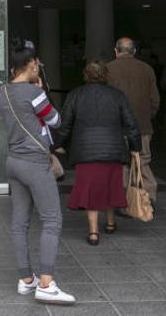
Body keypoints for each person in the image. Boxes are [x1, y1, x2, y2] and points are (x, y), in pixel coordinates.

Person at [0, 38, 75, 305]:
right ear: (29, 64)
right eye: (37, 62)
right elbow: (56, 120)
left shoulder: (1, 92)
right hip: (35, 163)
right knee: (52, 220)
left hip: (14, 161)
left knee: (19, 223)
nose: (39, 65)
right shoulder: (34, 93)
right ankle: (46, 283)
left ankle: (25, 280)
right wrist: (41, 93)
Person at [54, 60, 141, 245]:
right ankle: (110, 223)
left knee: (90, 190)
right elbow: (131, 124)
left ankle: (93, 232)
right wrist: (135, 148)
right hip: (113, 149)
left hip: (86, 151)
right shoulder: (117, 95)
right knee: (110, 186)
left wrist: (57, 144)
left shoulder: (75, 95)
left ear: (86, 75)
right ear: (105, 74)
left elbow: (65, 124)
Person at [107, 37, 160, 204]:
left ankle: (124, 201)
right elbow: (155, 100)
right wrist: (146, 116)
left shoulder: (108, 69)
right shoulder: (147, 69)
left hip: (118, 127)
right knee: (143, 161)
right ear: (134, 51)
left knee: (122, 164)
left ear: (116, 51)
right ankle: (149, 198)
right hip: (142, 126)